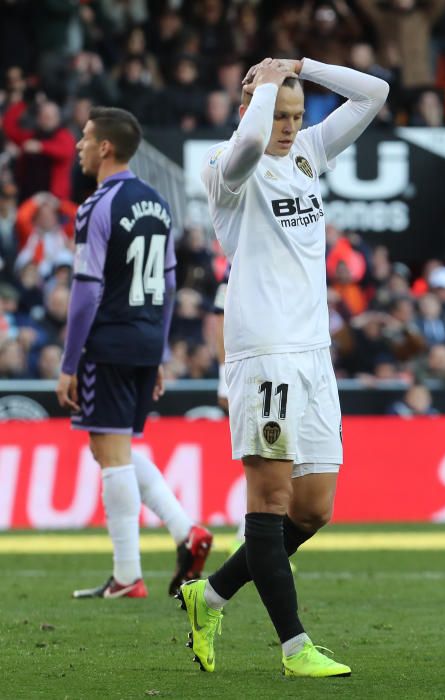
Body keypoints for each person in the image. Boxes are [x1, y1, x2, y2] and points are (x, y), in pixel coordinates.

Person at [181, 56, 388, 678]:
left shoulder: (306, 156)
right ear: (254, 107)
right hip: (264, 350)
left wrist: (301, 66)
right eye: (281, 115)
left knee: (313, 509)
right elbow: (249, 138)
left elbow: (374, 93)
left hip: (313, 354)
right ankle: (296, 648)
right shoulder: (225, 169)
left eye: (299, 116)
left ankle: (208, 594)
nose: (290, 127)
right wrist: (264, 88)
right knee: (270, 500)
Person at [55, 107, 213, 599]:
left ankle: (133, 571)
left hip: (110, 339)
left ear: (105, 147)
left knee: (110, 452)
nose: (79, 146)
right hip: (145, 338)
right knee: (111, 448)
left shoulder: (96, 206)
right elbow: (167, 285)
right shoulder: (157, 203)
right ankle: (183, 534)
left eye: (84, 138)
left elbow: (85, 291)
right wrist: (160, 350)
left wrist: (68, 362)